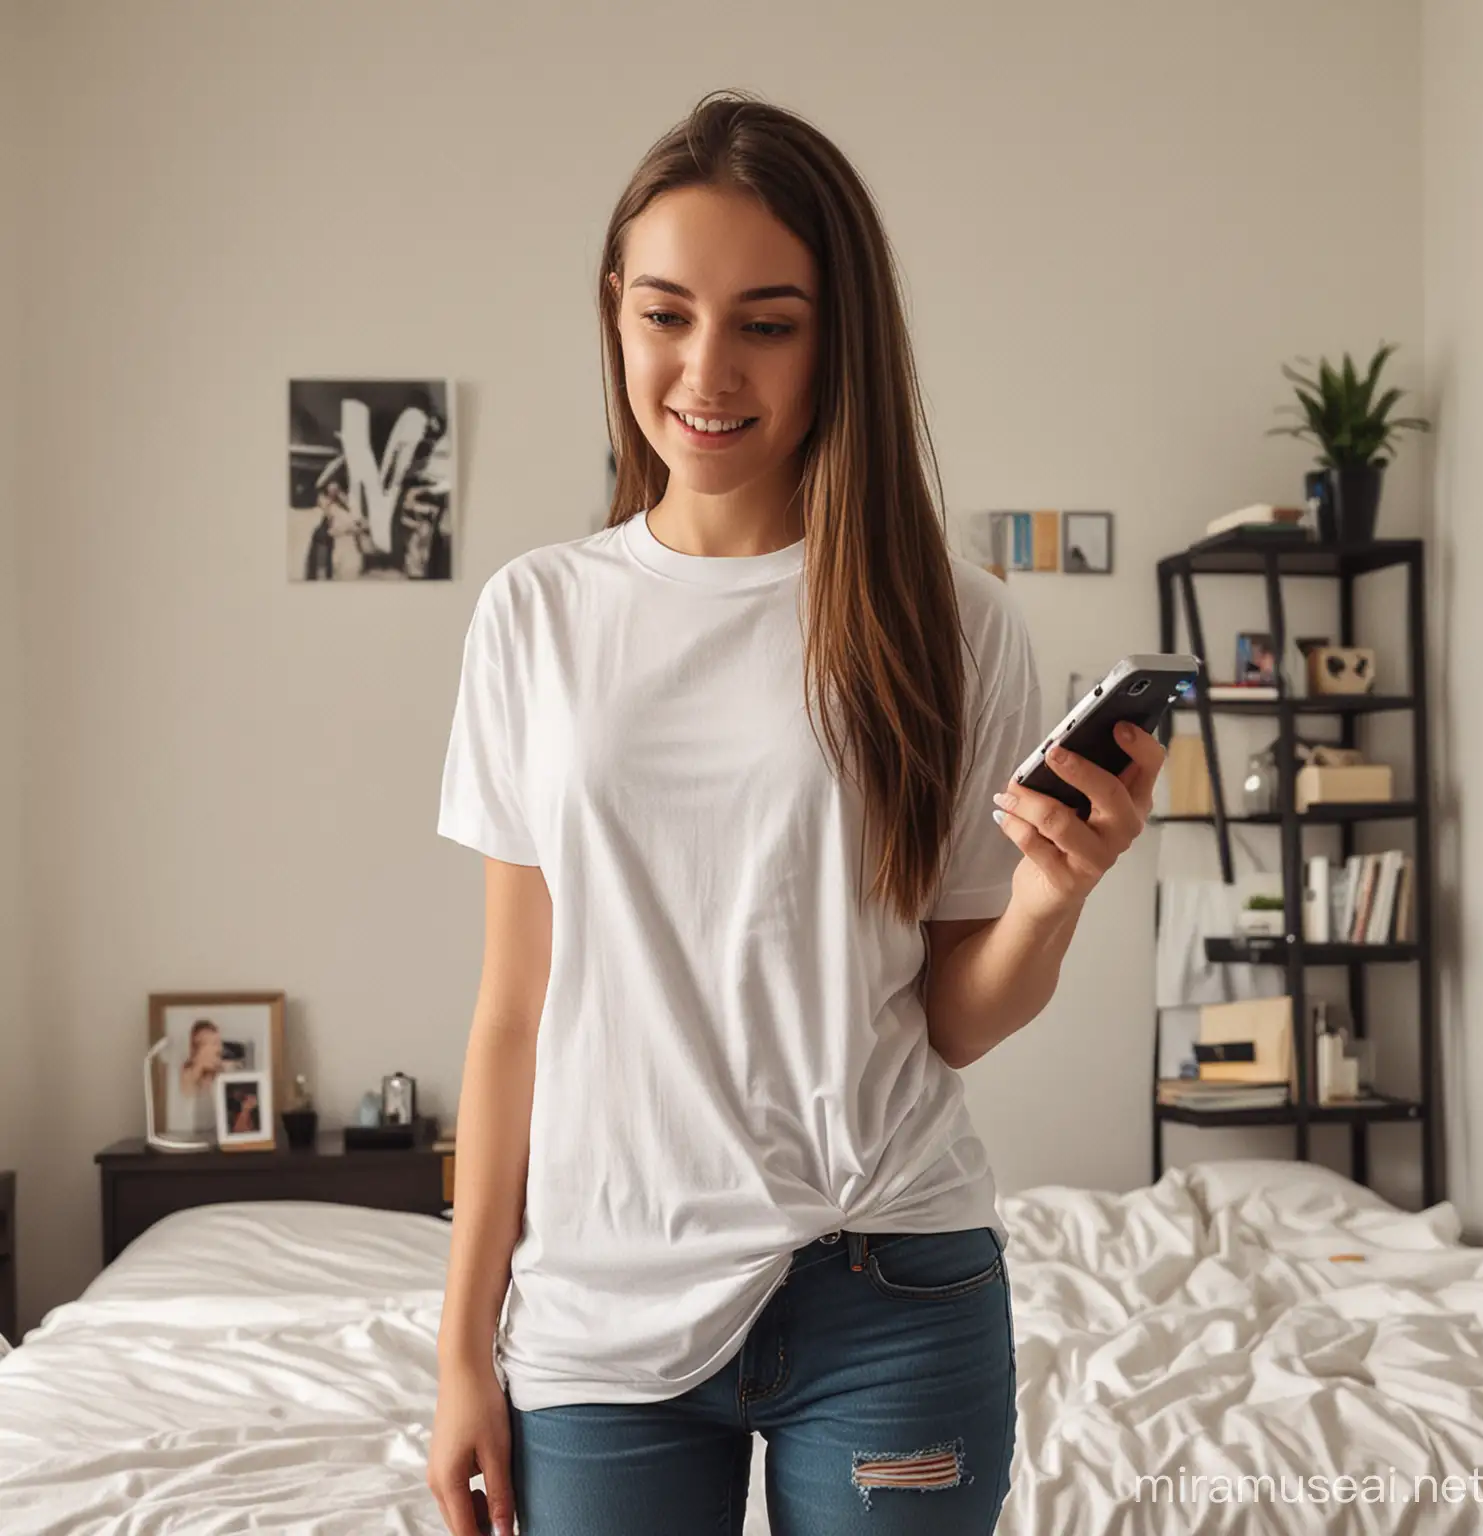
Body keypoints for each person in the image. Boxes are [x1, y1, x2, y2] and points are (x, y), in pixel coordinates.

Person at [428, 90, 1165, 1536]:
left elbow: (953, 1016)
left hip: (887, 1281)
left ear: (839, 340)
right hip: (602, 1304)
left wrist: (1051, 900)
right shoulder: (537, 616)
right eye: (666, 314)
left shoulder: (949, 623)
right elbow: (516, 1010)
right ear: (615, 316)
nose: (708, 367)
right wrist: (461, 1350)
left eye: (768, 321)